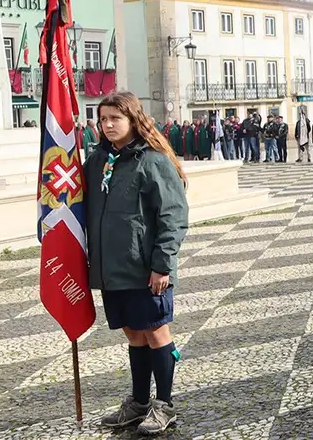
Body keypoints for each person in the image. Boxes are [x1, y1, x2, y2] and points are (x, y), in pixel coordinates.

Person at [86, 91, 189, 435]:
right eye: (103, 119)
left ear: (133, 120)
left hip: (146, 269)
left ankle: (165, 405)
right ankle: (140, 403)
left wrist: (162, 265)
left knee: (156, 332)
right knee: (133, 334)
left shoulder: (153, 160)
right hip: (113, 269)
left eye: (116, 118)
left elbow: (173, 216)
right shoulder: (97, 160)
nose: (109, 124)